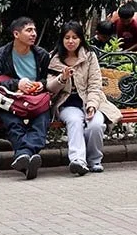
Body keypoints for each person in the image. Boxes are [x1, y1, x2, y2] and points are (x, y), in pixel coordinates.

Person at [0, 18, 56, 179]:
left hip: (36, 101)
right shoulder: (0, 55)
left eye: (34, 30)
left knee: (41, 123)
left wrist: (41, 84)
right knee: (13, 123)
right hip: (11, 102)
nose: (33, 34)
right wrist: (17, 84)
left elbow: (49, 79)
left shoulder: (42, 55)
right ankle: (27, 157)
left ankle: (23, 155)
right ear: (16, 34)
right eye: (29, 30)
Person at [47, 25, 116, 174]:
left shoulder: (89, 56)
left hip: (90, 101)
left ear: (81, 39)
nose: (71, 41)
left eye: (75, 37)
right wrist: (62, 78)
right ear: (62, 39)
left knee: (96, 124)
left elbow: (95, 84)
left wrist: (91, 105)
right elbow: (50, 88)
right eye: (67, 38)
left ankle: (94, 160)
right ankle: (78, 160)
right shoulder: (54, 58)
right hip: (66, 104)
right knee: (75, 121)